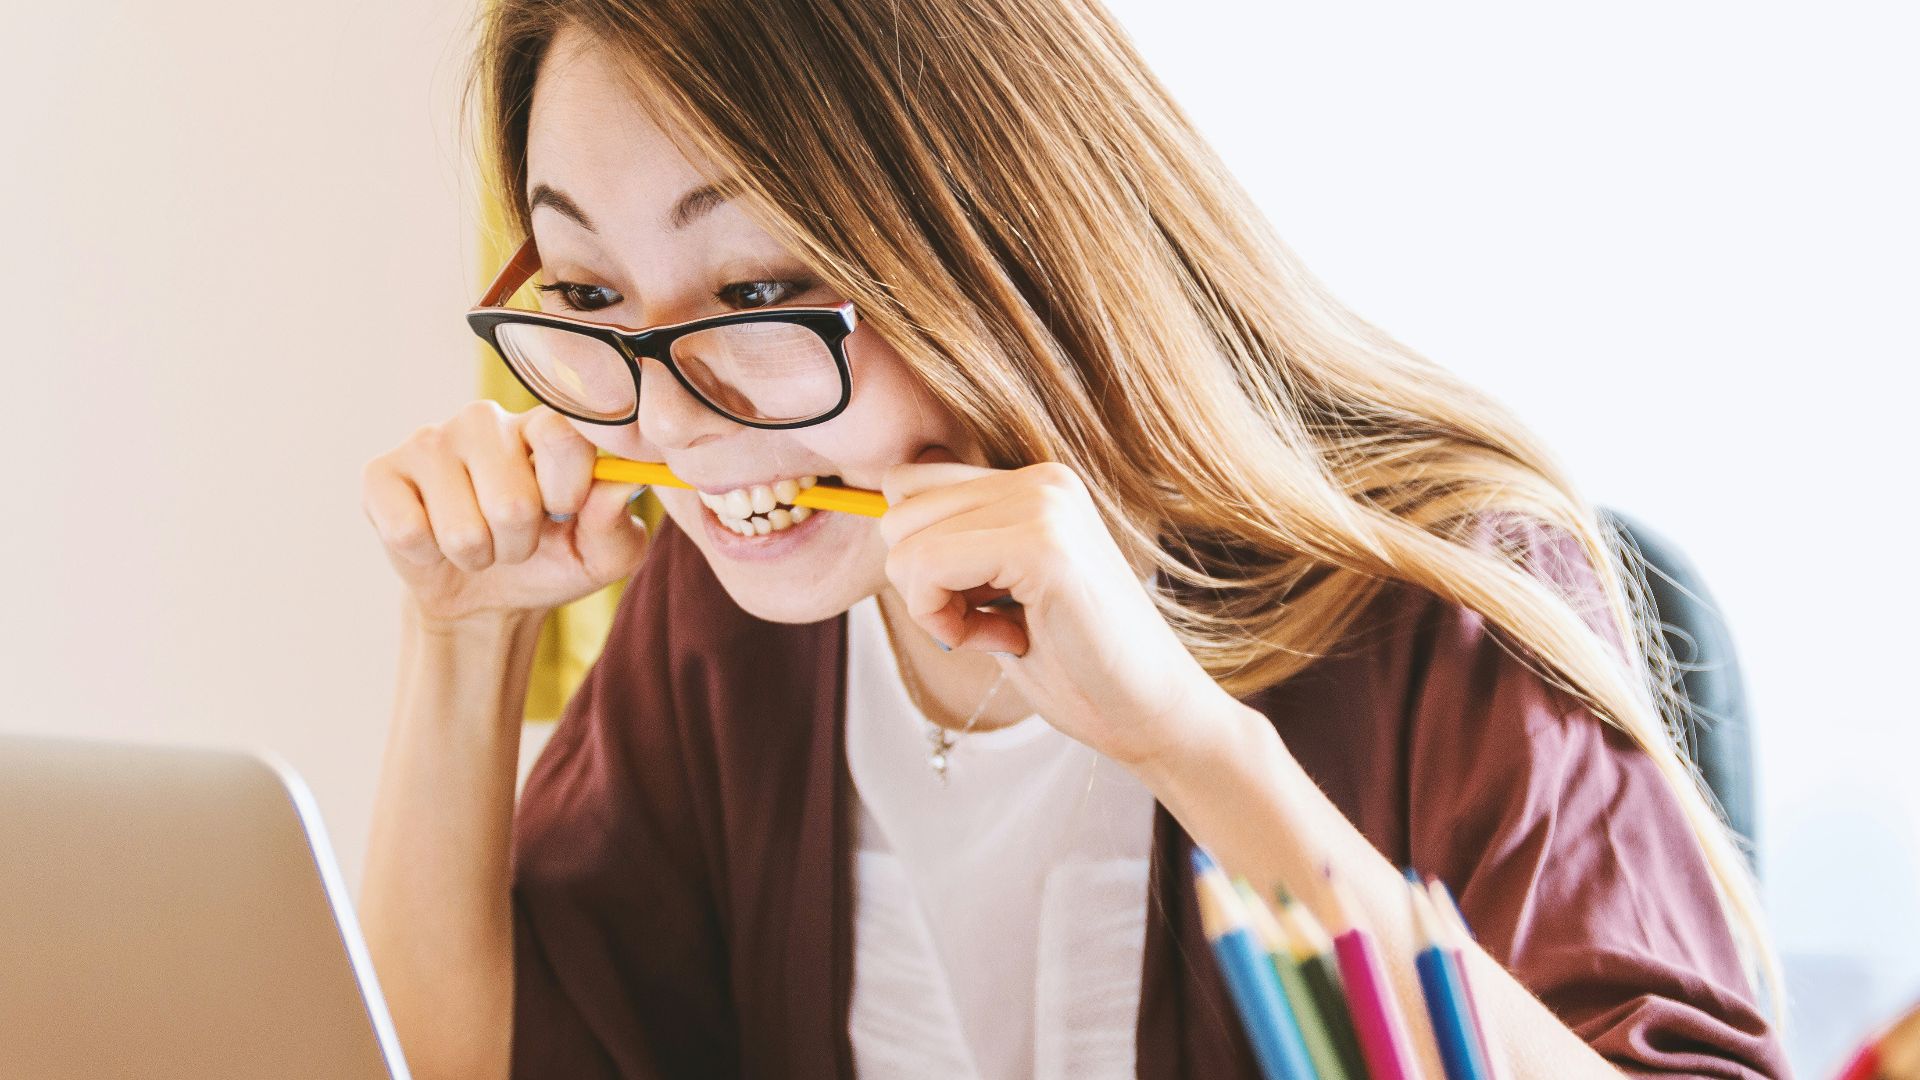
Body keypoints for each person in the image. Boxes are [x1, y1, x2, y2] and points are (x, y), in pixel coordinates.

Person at [356, 1, 1790, 1077]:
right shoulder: (733, 609)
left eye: (760, 283)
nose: (674, 421)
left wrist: (1190, 744)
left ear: (995, 238)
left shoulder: (1431, 599)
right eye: (598, 296)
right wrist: (461, 641)